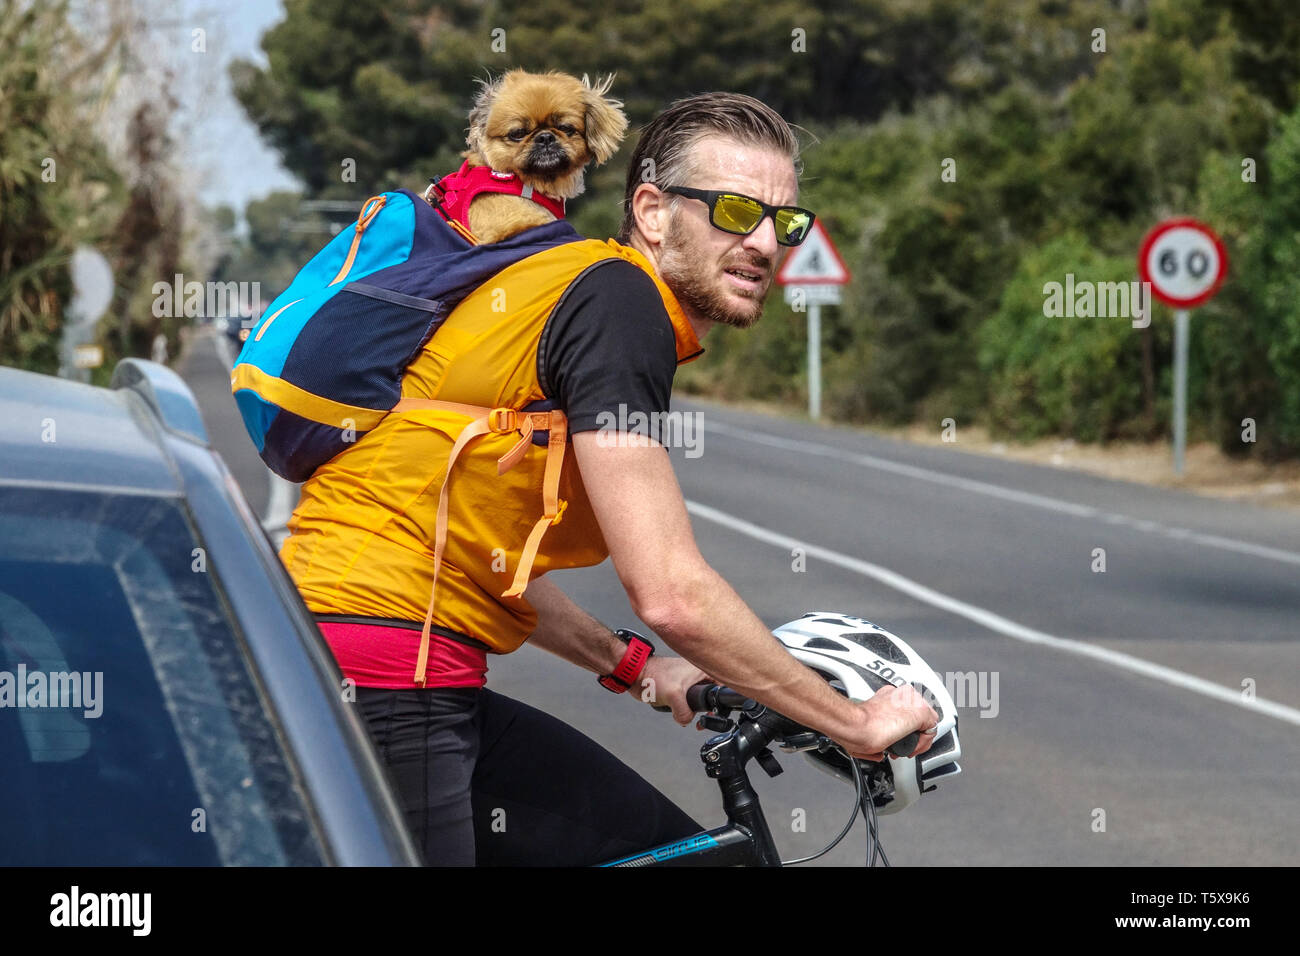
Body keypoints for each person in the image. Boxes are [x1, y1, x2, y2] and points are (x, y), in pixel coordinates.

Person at [277, 91, 939, 866]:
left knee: (667, 854)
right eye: (733, 210)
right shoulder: (619, 304)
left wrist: (636, 667)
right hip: (387, 676)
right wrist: (850, 722)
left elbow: (483, 553)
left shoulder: (575, 291)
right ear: (652, 212)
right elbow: (671, 593)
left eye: (783, 222)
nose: (764, 242)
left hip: (365, 658)